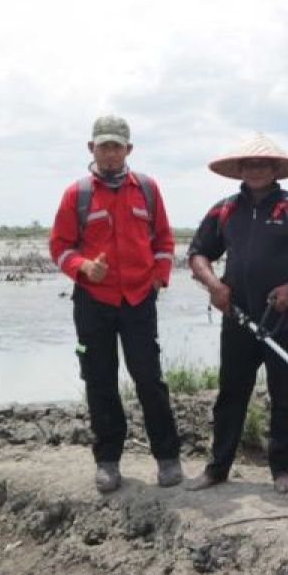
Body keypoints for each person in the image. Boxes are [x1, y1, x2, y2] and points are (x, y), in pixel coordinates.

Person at [185, 133, 288, 494]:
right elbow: (197, 254)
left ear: (275, 169)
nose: (256, 170)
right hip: (237, 318)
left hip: (285, 318)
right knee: (230, 394)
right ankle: (217, 468)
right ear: (240, 169)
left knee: (285, 395)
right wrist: (214, 286)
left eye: (262, 164)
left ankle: (282, 470)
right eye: (249, 165)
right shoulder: (225, 209)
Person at [48, 115, 183, 493]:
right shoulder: (77, 194)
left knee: (149, 379)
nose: (110, 153)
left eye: (117, 146)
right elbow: (59, 247)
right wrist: (82, 267)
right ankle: (107, 461)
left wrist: (159, 277)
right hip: (94, 301)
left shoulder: (149, 190)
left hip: (139, 299)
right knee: (99, 380)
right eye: (103, 146)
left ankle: (168, 458)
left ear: (129, 150)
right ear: (91, 148)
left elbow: (165, 243)